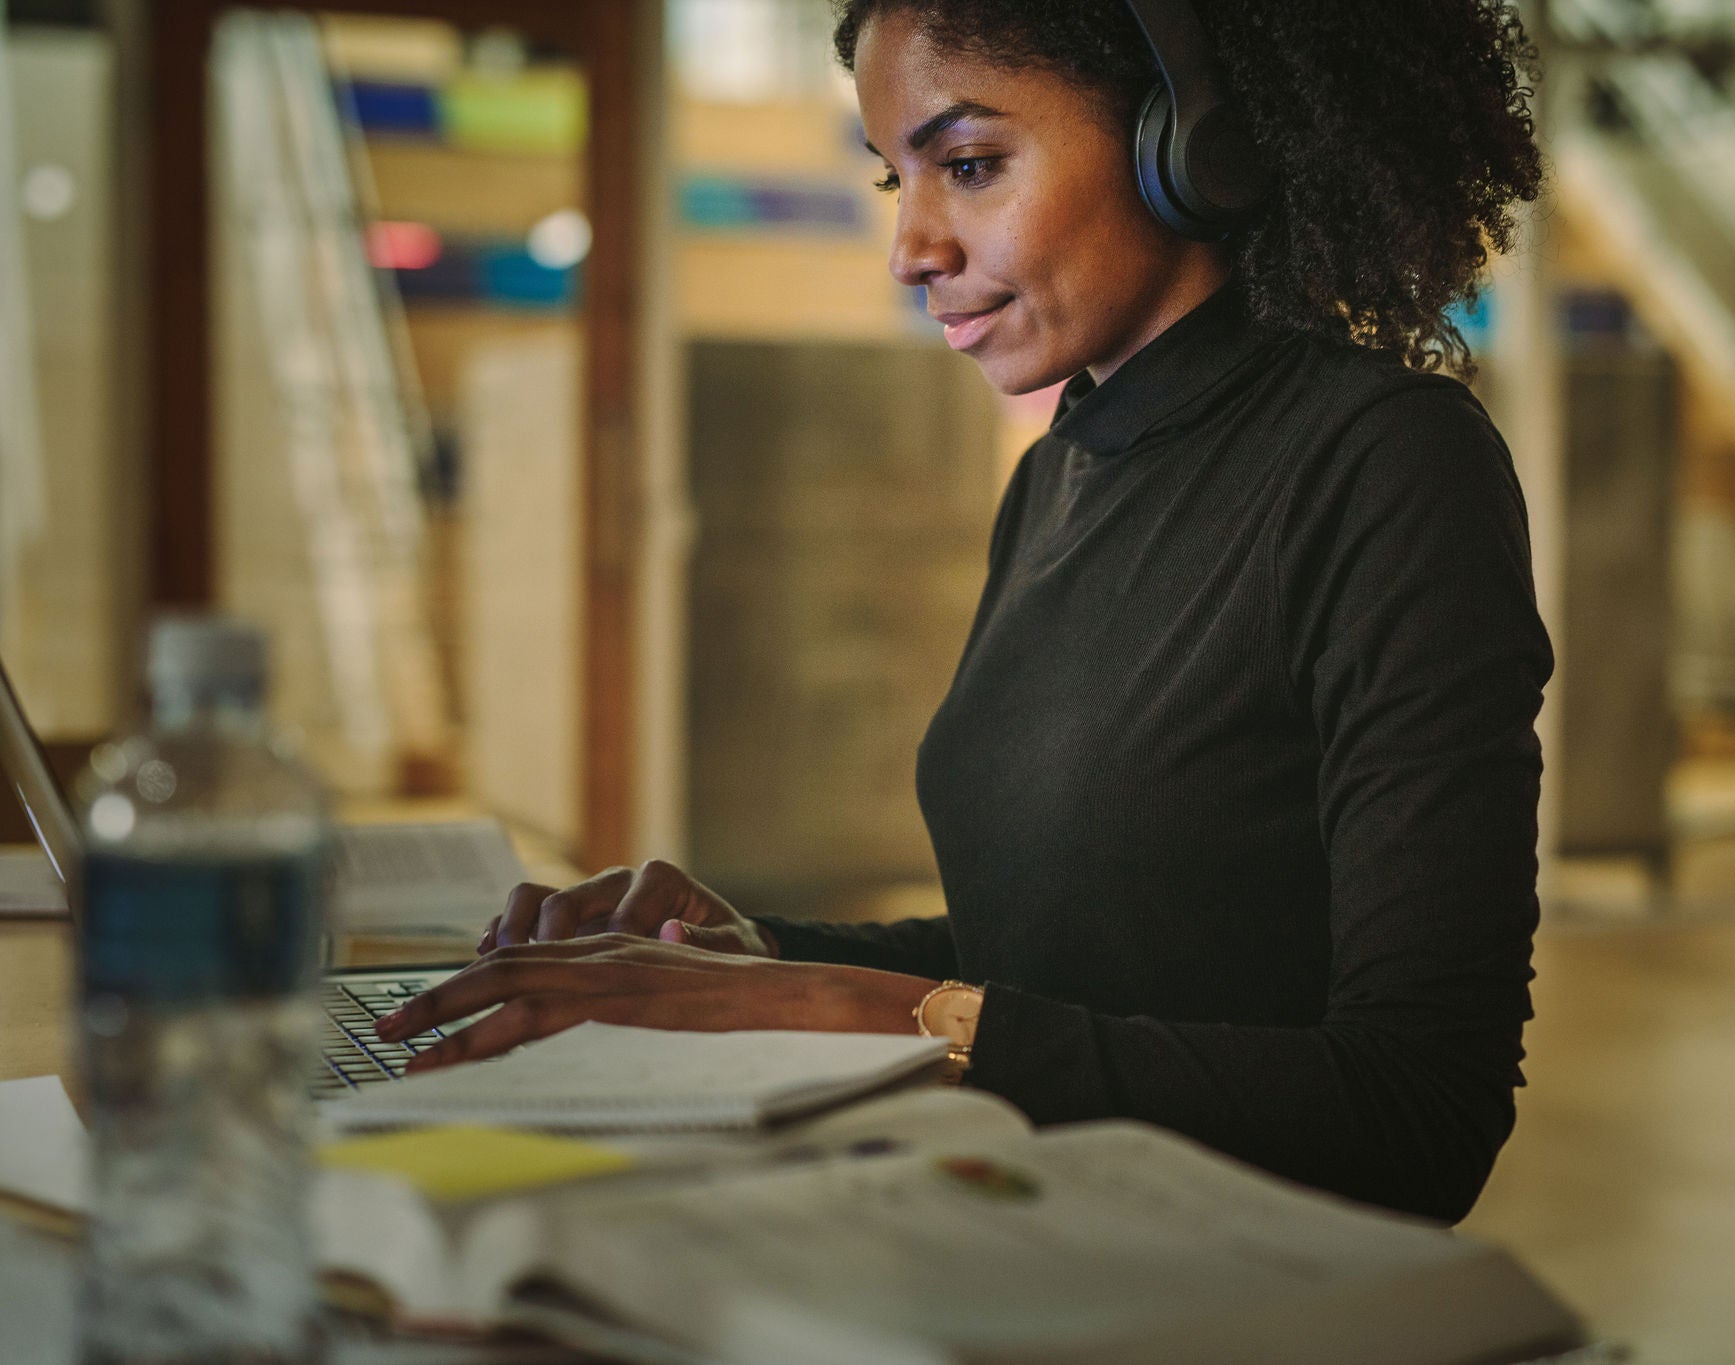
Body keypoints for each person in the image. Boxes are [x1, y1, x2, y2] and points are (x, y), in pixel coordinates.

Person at [376, 0, 1549, 1223]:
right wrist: (751, 958)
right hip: (1032, 1232)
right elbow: (1052, 961)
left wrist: (854, 1013)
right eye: (898, 178)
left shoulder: (1384, 466)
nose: (911, 246)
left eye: (970, 165)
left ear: (1191, 140)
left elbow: (1419, 1112)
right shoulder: (1058, 471)